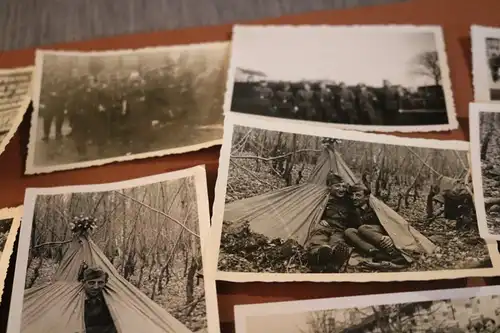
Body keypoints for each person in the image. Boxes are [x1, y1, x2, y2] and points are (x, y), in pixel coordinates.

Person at [343, 184, 408, 266]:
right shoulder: (352, 211)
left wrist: (390, 237)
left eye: (358, 195)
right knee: (349, 231)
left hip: (382, 235)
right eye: (352, 195)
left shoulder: (376, 209)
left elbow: (390, 224)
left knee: (363, 228)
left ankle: (393, 252)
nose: (354, 197)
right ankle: (376, 253)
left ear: (366, 197)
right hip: (369, 241)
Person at [306, 173, 352, 273]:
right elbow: (313, 212)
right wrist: (320, 219)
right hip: (325, 225)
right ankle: (319, 252)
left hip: (339, 229)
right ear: (329, 187)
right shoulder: (323, 198)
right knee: (318, 235)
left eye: (344, 186)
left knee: (337, 240)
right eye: (337, 186)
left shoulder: (349, 200)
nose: (341, 189)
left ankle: (334, 259)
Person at [79, 265, 117, 333]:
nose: (96, 287)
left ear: (105, 283)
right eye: (91, 283)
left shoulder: (109, 300)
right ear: (83, 283)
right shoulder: (77, 301)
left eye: (100, 283)